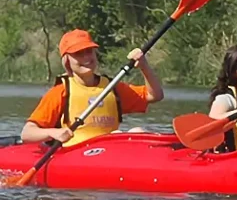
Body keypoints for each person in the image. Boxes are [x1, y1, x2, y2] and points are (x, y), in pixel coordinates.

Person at [21, 29, 165, 146]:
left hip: (110, 149)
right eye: (78, 54)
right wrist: (53, 133)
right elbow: (27, 134)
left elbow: (155, 95)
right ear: (67, 61)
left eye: (89, 51)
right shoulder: (61, 92)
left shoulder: (112, 87)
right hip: (76, 153)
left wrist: (144, 66)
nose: (86, 58)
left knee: (137, 131)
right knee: (120, 136)